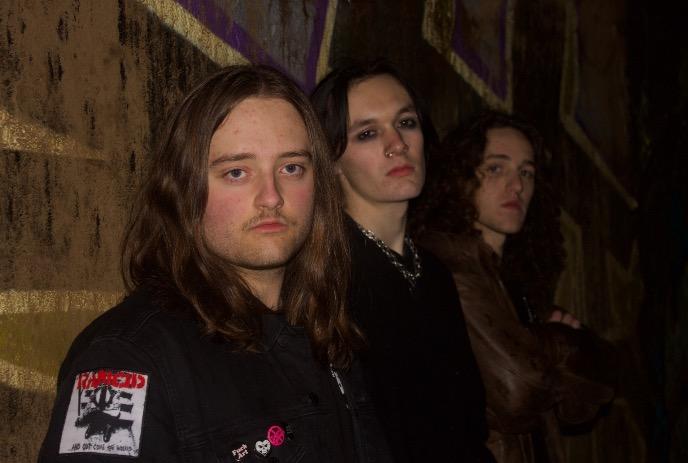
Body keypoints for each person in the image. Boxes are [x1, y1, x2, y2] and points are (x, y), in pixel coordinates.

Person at [38, 65, 393, 463]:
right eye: (237, 172)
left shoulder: (326, 332)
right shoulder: (128, 358)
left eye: (291, 167)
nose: (271, 196)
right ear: (185, 189)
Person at [312, 61, 493, 462]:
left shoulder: (433, 272)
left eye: (406, 122)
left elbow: (468, 426)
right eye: (368, 133)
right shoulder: (325, 275)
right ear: (332, 159)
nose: (397, 143)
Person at [417, 111, 617, 463]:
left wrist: (545, 353)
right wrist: (561, 339)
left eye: (527, 172)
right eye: (496, 168)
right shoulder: (449, 260)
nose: (518, 186)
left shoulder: (510, 278)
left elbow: (582, 406)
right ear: (459, 176)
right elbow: (518, 391)